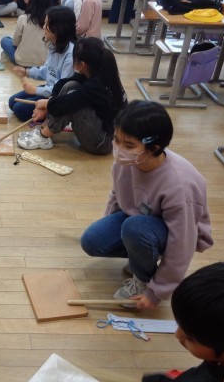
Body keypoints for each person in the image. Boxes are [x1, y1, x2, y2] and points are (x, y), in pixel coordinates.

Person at [80, 100, 213, 310]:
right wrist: (108, 226)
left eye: (129, 145)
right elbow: (117, 195)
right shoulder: (127, 162)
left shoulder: (180, 185)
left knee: (135, 228)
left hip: (172, 232)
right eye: (116, 140)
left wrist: (156, 292)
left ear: (154, 147)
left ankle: (142, 280)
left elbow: (182, 243)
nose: (119, 149)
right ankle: (141, 257)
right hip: (140, 220)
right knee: (93, 241)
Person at [18, 37, 127, 154]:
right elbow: (62, 83)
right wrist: (49, 104)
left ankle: (43, 137)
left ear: (82, 65)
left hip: (102, 142)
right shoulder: (97, 72)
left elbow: (68, 102)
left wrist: (47, 104)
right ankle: (45, 128)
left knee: (71, 103)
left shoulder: (96, 86)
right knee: (70, 85)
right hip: (101, 127)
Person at [8, 6, 76, 122]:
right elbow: (46, 70)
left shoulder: (70, 54)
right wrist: (27, 72)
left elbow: (62, 90)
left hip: (58, 96)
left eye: (47, 24)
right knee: (12, 102)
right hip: (50, 89)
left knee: (19, 109)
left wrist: (36, 90)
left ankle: (49, 112)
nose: (43, 27)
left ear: (59, 27)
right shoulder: (54, 45)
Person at [0, 0, 52, 67]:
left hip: (22, 61)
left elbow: (15, 43)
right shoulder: (53, 19)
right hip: (44, 63)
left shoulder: (23, 18)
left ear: (31, 1)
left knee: (5, 40)